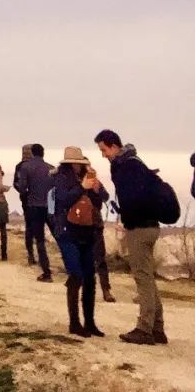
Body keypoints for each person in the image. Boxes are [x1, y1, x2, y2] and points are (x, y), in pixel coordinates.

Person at [95, 129, 167, 345]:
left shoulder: (127, 167)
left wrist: (127, 219)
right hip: (149, 226)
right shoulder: (135, 163)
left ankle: (145, 329)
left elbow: (133, 199)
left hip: (140, 228)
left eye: (103, 149)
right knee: (147, 278)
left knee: (142, 278)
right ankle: (157, 328)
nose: (103, 155)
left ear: (113, 145)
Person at [52, 147, 107, 338]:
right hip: (67, 232)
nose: (78, 167)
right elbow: (63, 199)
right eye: (76, 163)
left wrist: (97, 189)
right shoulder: (60, 178)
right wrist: (82, 187)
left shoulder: (87, 176)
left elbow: (102, 200)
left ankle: (90, 323)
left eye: (81, 164)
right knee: (76, 275)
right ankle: (74, 323)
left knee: (90, 278)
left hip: (87, 231)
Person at [20, 143, 54, 280]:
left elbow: (22, 187)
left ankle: (46, 272)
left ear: (32, 153)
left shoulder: (25, 167)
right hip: (49, 206)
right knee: (58, 236)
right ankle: (71, 267)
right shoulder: (51, 168)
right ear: (43, 153)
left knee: (39, 239)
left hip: (34, 206)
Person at [13, 143, 35, 264]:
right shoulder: (40, 165)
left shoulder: (19, 166)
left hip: (26, 200)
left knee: (29, 227)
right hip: (39, 200)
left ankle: (31, 254)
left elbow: (16, 183)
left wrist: (23, 192)